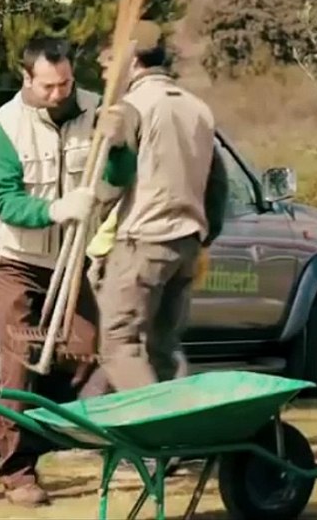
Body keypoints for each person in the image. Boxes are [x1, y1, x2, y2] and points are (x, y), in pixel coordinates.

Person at [0, 37, 132, 508]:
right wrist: (56, 209)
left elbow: (122, 175)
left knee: (87, 351)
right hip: (14, 258)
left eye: (65, 83)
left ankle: (8, 424)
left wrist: (120, 144)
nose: (59, 93)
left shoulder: (97, 110)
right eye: (48, 86)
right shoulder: (5, 127)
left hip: (70, 257)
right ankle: (17, 472)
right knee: (20, 360)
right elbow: (2, 200)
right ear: (26, 78)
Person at [86, 35, 227, 393]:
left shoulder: (130, 108)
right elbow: (217, 182)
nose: (106, 72)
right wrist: (206, 234)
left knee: (120, 344)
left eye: (110, 63)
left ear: (133, 61)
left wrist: (92, 220)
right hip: (186, 243)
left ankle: (153, 422)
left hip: (142, 240)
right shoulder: (199, 109)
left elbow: (115, 180)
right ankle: (181, 422)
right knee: (162, 348)